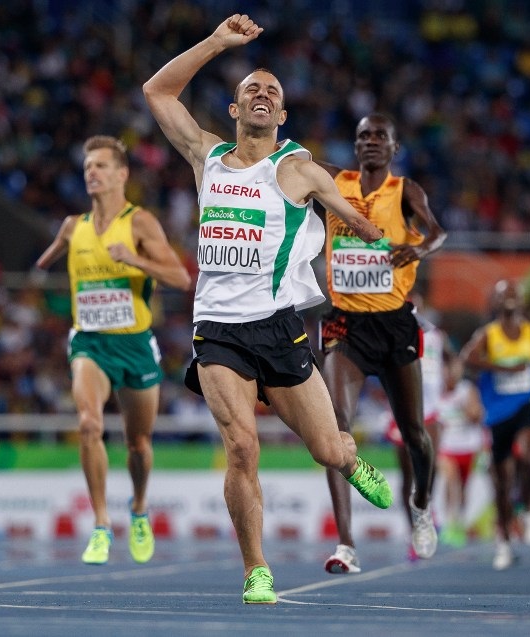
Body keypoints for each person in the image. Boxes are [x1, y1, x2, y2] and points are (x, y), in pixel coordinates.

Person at [143, 14, 393, 604]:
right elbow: (157, 91)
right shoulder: (205, 155)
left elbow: (346, 213)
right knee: (241, 447)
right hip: (217, 331)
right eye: (251, 89)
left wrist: (365, 228)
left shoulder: (297, 169)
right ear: (234, 110)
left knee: (328, 449)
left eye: (272, 92)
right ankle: (257, 568)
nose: (261, 94)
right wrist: (218, 43)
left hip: (278, 327)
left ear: (281, 116)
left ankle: (350, 459)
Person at [34, 135, 191, 565]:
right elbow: (44, 262)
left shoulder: (139, 223)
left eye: (101, 166)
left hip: (135, 345)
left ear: (122, 175)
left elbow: (180, 278)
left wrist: (136, 260)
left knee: (138, 443)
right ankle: (101, 525)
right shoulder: (73, 226)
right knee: (88, 423)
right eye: (88, 167)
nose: (92, 172)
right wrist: (50, 257)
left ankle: (138, 509)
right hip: (90, 343)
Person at [316, 113, 447, 574]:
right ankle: (346, 545)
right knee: (335, 427)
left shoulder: (405, 191)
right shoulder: (333, 182)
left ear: (394, 147)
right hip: (344, 324)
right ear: (354, 146)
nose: (371, 142)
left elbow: (437, 231)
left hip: (394, 324)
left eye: (380, 136)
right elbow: (289, 166)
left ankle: (420, 505)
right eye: (363, 135)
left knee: (414, 432)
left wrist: (420, 248)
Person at [459, 279, 530, 570]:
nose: (510, 299)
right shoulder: (488, 335)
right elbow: (468, 358)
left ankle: (528, 511)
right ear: (496, 302)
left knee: (528, 453)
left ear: (522, 301)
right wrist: (504, 368)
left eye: (514, 294)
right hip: (497, 411)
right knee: (501, 482)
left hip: (524, 405)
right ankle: (503, 543)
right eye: (504, 295)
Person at [383, 308, 452, 558]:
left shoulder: (436, 336)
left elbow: (452, 360)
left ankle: (425, 512)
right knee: (408, 475)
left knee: (429, 469)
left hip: (431, 410)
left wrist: (451, 375)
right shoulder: (392, 334)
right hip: (402, 410)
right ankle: (413, 531)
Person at [435, 355, 485, 547]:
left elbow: (477, 416)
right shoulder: (435, 392)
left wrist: (464, 408)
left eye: (456, 370)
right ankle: (449, 522)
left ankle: (461, 522)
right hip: (447, 447)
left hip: (468, 446)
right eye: (448, 370)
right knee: (450, 480)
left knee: (463, 487)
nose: (451, 374)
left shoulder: (467, 390)